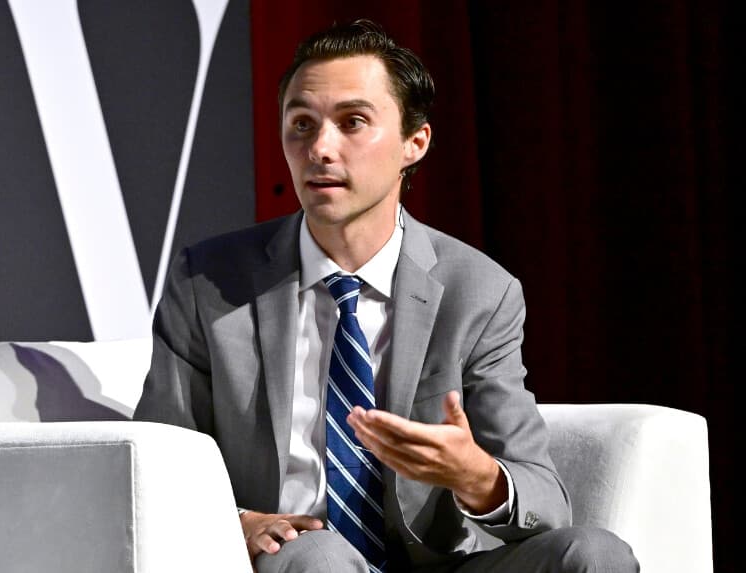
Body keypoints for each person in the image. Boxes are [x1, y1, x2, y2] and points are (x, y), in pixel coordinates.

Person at [135, 19, 638, 572]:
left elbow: (545, 501)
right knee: (321, 558)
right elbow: (158, 465)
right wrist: (238, 520)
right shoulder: (208, 282)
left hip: (436, 564)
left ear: (414, 142)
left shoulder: (479, 292)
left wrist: (476, 475)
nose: (320, 148)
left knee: (595, 554)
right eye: (301, 124)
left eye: (352, 122)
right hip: (295, 559)